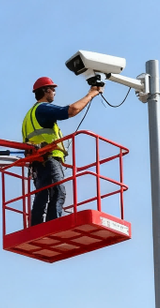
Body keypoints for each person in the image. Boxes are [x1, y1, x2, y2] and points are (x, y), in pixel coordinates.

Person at [22, 77, 103, 226]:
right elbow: (71, 111)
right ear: (46, 90)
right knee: (58, 191)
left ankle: (36, 226)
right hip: (49, 158)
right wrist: (91, 94)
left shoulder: (29, 115)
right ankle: (53, 224)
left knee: (42, 194)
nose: (54, 92)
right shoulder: (42, 109)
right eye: (53, 89)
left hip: (38, 163)